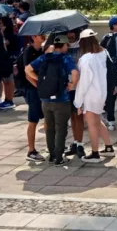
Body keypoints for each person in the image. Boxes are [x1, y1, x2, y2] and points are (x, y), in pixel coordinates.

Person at [26, 34, 80, 164]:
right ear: (64, 45)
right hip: (62, 100)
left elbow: (27, 69)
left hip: (45, 100)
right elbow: (75, 73)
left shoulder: (44, 57)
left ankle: (51, 155)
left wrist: (39, 81)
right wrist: (72, 84)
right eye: (67, 45)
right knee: (61, 128)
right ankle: (59, 157)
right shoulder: (66, 59)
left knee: (49, 128)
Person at [74, 33, 114, 162]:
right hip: (102, 93)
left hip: (90, 95)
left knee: (92, 123)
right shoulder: (104, 52)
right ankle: (108, 147)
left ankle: (95, 153)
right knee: (97, 120)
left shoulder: (86, 59)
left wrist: (78, 102)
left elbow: (83, 83)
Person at [20, 33, 48, 162]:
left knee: (48, 118)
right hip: (32, 90)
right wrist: (39, 84)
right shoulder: (28, 51)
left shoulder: (43, 50)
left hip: (42, 89)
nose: (43, 36)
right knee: (33, 120)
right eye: (40, 34)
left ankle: (51, 145)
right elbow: (27, 73)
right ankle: (31, 150)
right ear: (34, 37)